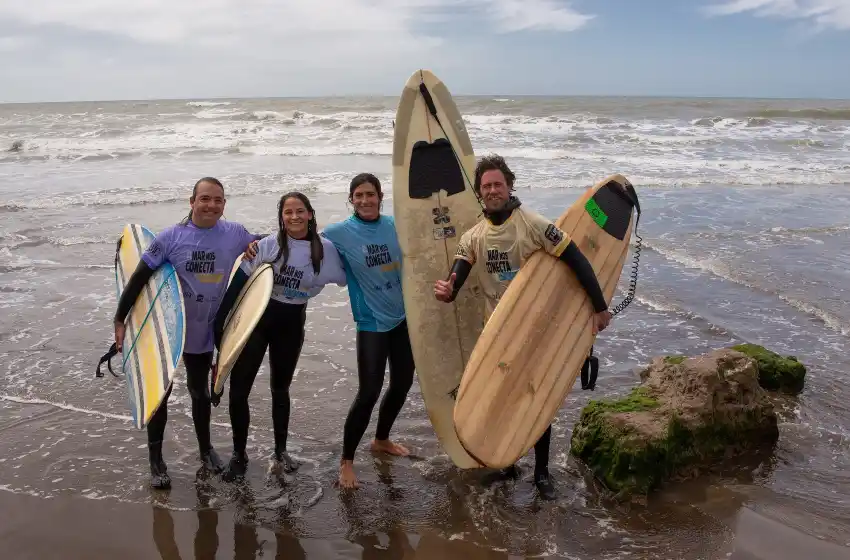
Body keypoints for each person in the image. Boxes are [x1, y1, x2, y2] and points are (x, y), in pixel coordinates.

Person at [433, 155, 612, 501]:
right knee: (502, 395)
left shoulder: (533, 225)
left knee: (535, 398)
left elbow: (576, 259)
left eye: (498, 184)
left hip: (534, 329)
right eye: (486, 186)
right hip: (496, 333)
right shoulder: (473, 237)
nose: (492, 190)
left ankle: (542, 471)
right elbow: (456, 279)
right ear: (479, 192)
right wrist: (447, 291)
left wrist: (599, 307)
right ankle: (508, 462)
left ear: (509, 185)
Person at [112, 177, 263, 490]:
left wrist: (259, 244)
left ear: (224, 204)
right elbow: (139, 278)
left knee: (199, 392)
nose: (211, 205)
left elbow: (261, 246)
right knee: (160, 393)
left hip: (203, 329)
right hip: (168, 328)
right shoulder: (170, 238)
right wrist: (120, 319)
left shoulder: (235, 234)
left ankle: (205, 450)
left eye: (218, 200)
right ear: (192, 201)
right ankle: (156, 459)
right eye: (205, 198)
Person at [212, 191, 346, 482]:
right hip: (257, 321)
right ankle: (239, 454)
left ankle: (281, 450)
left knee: (280, 389)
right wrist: (220, 325)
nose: (294, 216)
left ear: (310, 214)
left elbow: (352, 278)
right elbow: (238, 284)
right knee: (239, 389)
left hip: (291, 323)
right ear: (281, 217)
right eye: (288, 212)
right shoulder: (267, 245)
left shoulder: (326, 250)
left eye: (300, 211)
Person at [320, 172, 416, 490]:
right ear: (351, 199)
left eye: (370, 194)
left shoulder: (394, 225)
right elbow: (302, 242)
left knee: (402, 384)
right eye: (358, 195)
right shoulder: (339, 233)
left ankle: (381, 439)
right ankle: (346, 461)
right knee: (369, 392)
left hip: (402, 318)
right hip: (372, 321)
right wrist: (256, 245)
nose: (365, 200)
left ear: (380, 197)